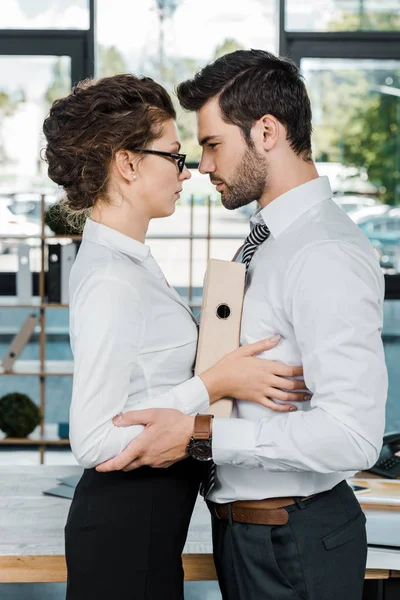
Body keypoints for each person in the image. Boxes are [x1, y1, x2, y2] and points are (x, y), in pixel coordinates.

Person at [97, 52, 388, 600]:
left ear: (267, 132)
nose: (201, 166)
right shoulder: (270, 237)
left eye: (212, 145)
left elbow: (353, 436)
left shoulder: (324, 252)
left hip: (292, 539)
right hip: (250, 531)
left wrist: (202, 435)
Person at [42, 73, 309, 600]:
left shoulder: (130, 262)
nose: (189, 172)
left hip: (146, 528)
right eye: (175, 156)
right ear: (127, 162)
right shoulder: (111, 277)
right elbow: (92, 440)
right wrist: (212, 384)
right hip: (122, 533)